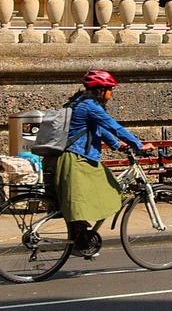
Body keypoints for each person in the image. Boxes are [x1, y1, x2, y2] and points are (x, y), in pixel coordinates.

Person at [49, 70, 150, 257]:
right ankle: (81, 239)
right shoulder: (89, 106)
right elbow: (113, 126)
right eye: (110, 90)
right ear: (100, 90)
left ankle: (81, 241)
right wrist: (139, 145)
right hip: (77, 159)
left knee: (82, 202)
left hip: (72, 158)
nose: (111, 94)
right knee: (109, 188)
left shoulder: (78, 102)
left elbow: (97, 129)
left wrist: (116, 145)